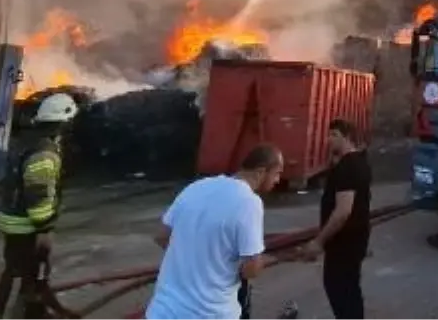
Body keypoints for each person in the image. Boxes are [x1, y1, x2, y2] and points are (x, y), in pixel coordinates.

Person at [145, 144, 284, 320]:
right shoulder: (249, 202)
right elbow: (252, 268)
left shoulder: (197, 187)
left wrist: (191, 258)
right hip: (209, 312)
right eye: (277, 173)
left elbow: (161, 236)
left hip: (164, 311)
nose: (278, 180)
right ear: (261, 172)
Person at [0, 92, 79, 319]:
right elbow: (38, 194)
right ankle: (29, 314)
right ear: (62, 122)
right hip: (26, 224)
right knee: (34, 273)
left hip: (10, 218)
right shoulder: (44, 152)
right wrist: (44, 229)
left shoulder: (26, 142)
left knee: (14, 270)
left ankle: (8, 314)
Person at [301, 119, 372, 320]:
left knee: (340, 289)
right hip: (355, 239)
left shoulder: (347, 167)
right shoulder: (359, 162)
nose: (328, 140)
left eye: (334, 135)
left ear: (347, 137)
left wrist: (318, 241)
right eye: (328, 135)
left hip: (345, 242)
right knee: (349, 289)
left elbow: (342, 211)